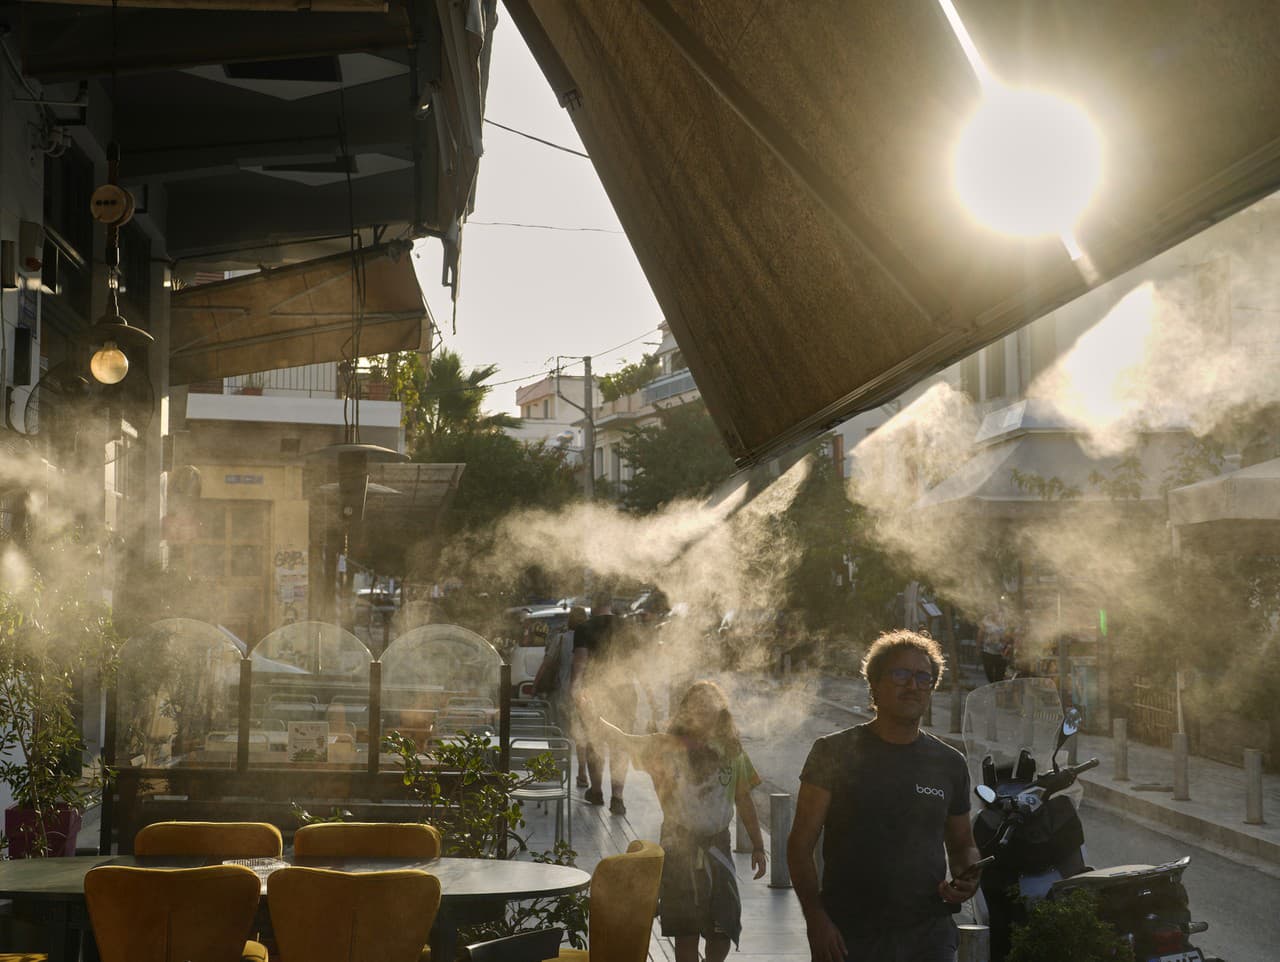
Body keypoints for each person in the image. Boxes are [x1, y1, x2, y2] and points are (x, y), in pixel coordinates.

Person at [787, 630, 981, 962]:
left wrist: (968, 876)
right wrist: (816, 920)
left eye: (924, 677)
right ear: (875, 684)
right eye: (901, 674)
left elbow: (962, 843)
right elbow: (799, 846)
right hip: (851, 936)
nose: (913, 685)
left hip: (928, 935)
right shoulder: (833, 752)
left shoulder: (950, 763)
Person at [594, 680, 767, 962]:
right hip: (678, 847)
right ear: (685, 711)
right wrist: (595, 716)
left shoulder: (731, 751)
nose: (703, 712)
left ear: (720, 713)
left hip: (718, 848)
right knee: (685, 930)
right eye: (696, 706)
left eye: (710, 707)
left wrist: (759, 846)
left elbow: (744, 800)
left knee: (723, 927)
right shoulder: (663, 747)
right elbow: (623, 739)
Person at [572, 593, 634, 814]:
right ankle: (617, 797)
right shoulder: (627, 626)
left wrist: (575, 690)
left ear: (593, 605)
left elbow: (580, 664)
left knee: (594, 741)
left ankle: (596, 791)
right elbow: (638, 663)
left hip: (594, 692)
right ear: (610, 604)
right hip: (625, 693)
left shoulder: (584, 628)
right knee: (620, 744)